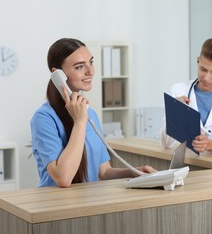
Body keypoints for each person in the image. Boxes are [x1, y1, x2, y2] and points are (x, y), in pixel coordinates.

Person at [30, 38, 155, 188]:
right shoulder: (44, 118)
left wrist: (134, 172)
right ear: (58, 75)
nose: (90, 71)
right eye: (79, 66)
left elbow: (103, 172)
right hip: (58, 205)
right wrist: (79, 122)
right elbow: (63, 179)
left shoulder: (91, 114)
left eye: (91, 62)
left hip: (89, 202)